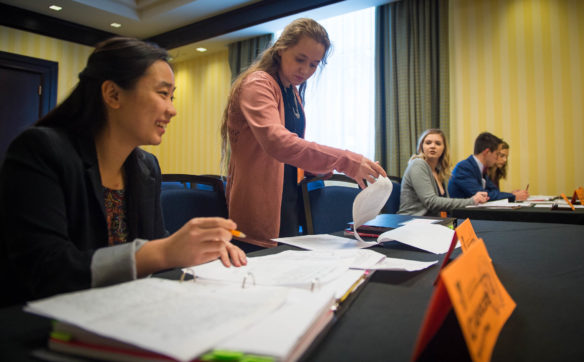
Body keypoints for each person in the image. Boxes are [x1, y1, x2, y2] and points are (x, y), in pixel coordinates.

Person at [0, 37, 246, 306]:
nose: (172, 110)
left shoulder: (146, 167)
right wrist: (165, 251)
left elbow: (154, 242)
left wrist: (197, 249)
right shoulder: (41, 150)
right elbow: (47, 269)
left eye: (172, 97)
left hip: (123, 314)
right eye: (163, 94)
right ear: (113, 94)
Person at [220, 18, 386, 241]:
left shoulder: (292, 93)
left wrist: (316, 169)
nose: (306, 70)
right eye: (300, 59)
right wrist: (346, 160)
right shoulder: (258, 84)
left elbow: (290, 156)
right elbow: (278, 143)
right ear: (280, 48)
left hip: (288, 204)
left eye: (314, 64)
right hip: (259, 206)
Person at [398, 129, 489, 216]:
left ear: (444, 149)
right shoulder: (418, 164)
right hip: (411, 222)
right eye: (428, 143)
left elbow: (445, 204)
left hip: (432, 223)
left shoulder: (439, 172)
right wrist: (472, 201)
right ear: (421, 147)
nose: (432, 146)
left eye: (438, 143)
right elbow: (431, 202)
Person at [448, 132, 529, 201]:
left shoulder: (480, 168)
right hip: (462, 217)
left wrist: (511, 194)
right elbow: (483, 196)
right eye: (497, 154)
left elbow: (494, 191)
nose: (497, 158)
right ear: (487, 152)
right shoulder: (464, 168)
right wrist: (513, 196)